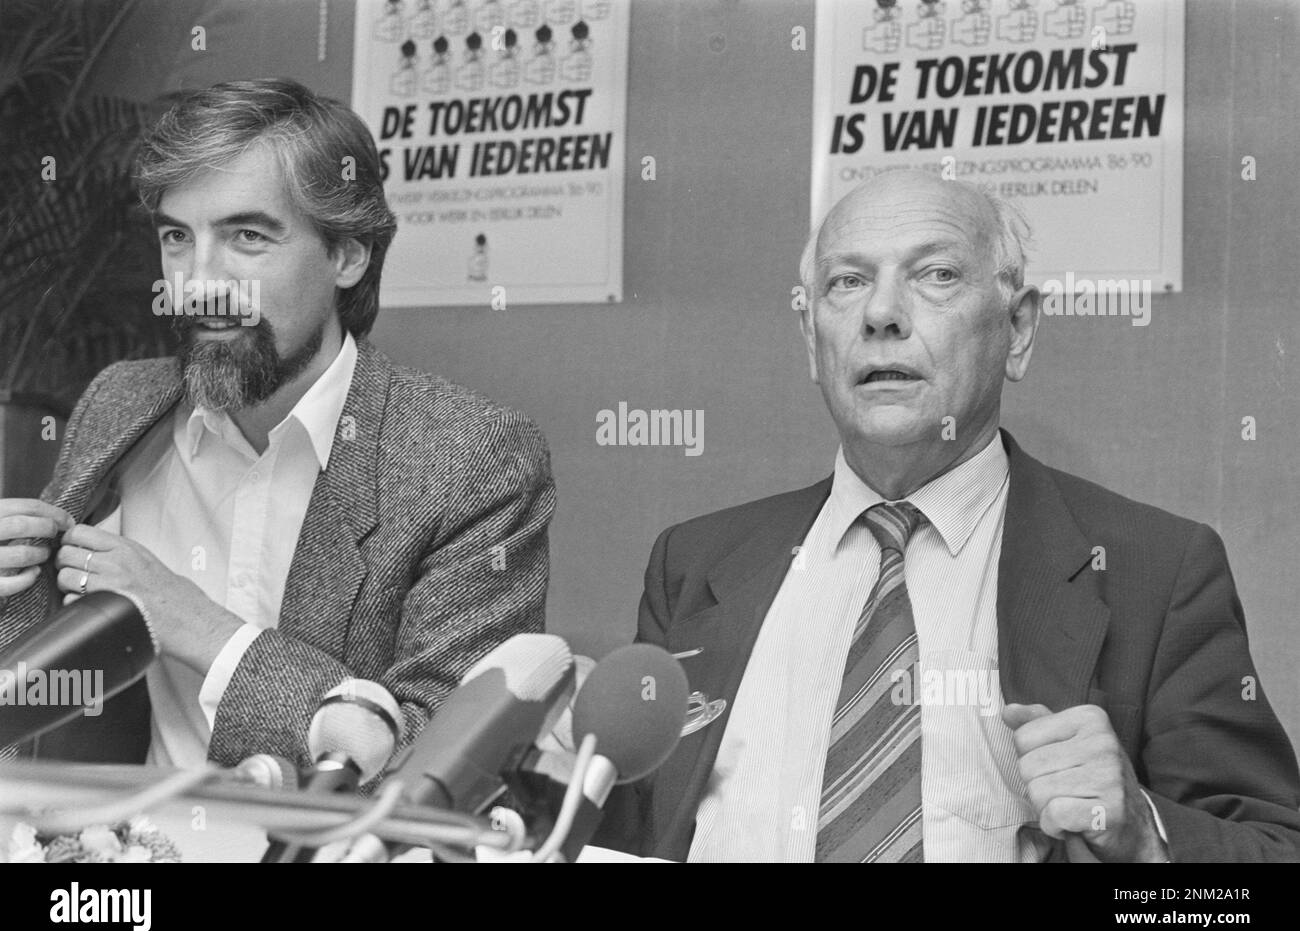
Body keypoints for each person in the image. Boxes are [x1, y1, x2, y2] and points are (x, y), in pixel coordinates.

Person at [595, 170, 1300, 862]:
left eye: (935, 276)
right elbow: (622, 838)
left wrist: (1146, 836)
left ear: (1018, 330)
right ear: (812, 340)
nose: (881, 314)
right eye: (847, 282)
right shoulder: (694, 565)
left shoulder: (1155, 570)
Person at [0, 79, 554, 771]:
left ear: (347, 255)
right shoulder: (119, 405)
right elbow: (34, 686)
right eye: (177, 236)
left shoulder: (468, 459)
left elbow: (442, 760)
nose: (196, 281)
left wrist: (201, 630)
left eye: (247, 237)